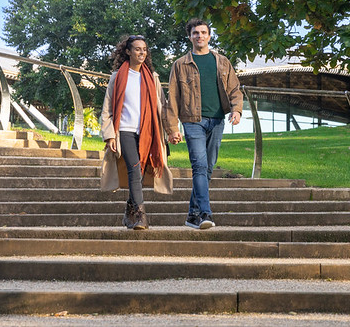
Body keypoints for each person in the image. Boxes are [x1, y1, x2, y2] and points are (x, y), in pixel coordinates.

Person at [165, 19, 243, 229]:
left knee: (207, 169)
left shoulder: (222, 61)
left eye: (203, 32)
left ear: (209, 35)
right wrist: (172, 128)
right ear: (189, 37)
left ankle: (192, 215)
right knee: (199, 166)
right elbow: (172, 98)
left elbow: (235, 89)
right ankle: (205, 214)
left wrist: (236, 110)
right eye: (195, 33)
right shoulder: (180, 64)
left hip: (217, 120)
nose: (199, 36)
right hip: (193, 121)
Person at [100, 34, 172, 230]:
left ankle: (129, 211)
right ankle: (140, 215)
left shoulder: (152, 78)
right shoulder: (117, 77)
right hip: (124, 130)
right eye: (137, 49)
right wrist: (109, 135)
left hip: (148, 130)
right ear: (128, 51)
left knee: (139, 172)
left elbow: (162, 107)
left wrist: (171, 131)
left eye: (144, 49)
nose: (142, 52)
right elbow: (107, 108)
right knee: (133, 168)